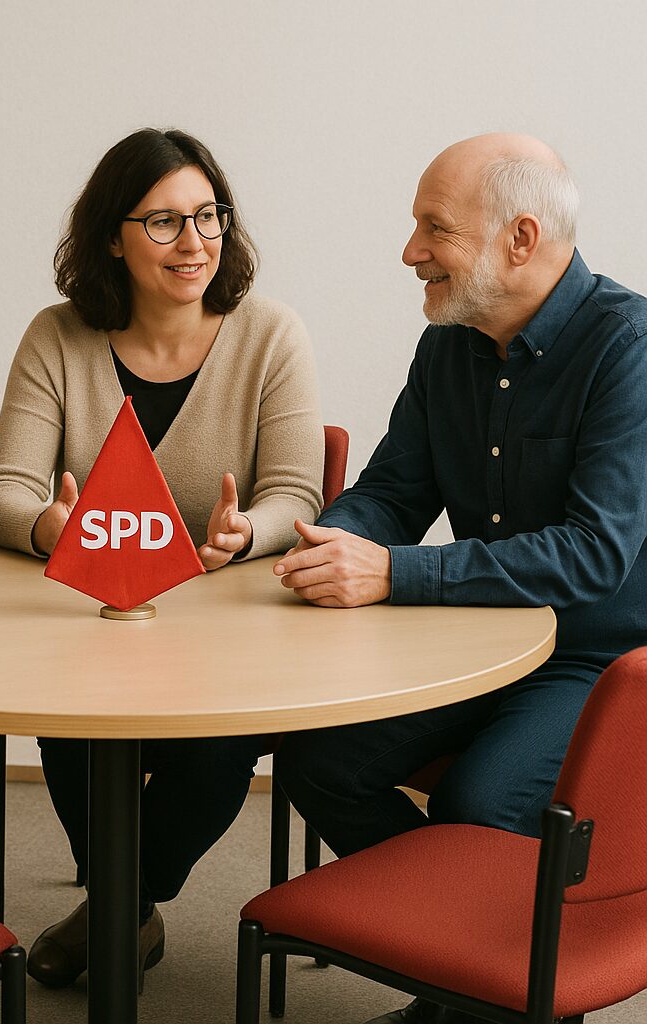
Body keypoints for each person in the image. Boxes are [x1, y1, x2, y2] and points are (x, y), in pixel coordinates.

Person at [273, 133, 647, 1024]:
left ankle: (481, 992)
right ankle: (475, 979)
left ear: (521, 239)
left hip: (594, 664)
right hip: (473, 643)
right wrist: (328, 543)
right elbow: (395, 490)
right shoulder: (449, 345)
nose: (410, 253)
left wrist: (394, 573)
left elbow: (594, 554)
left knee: (478, 800)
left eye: (433, 228)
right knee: (318, 761)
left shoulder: (627, 349)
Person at [0, 127, 324, 988]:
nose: (195, 241)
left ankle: (118, 908)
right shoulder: (56, 338)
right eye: (164, 222)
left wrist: (251, 534)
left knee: (217, 750)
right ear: (111, 236)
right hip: (95, 619)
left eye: (209, 216)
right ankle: (125, 911)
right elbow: (3, 492)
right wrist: (53, 529)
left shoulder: (271, 335)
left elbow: (298, 494)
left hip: (230, 629)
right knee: (68, 723)